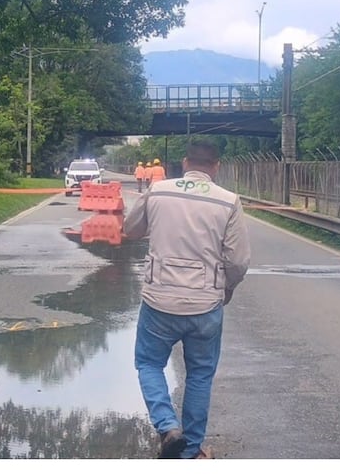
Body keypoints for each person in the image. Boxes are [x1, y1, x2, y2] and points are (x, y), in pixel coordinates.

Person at [122, 139, 250, 460]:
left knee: (149, 364)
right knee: (200, 375)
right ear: (216, 167)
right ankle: (191, 451)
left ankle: (168, 427)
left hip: (158, 302)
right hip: (205, 304)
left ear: (183, 163)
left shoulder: (159, 190)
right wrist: (228, 288)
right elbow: (237, 261)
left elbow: (131, 229)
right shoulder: (228, 201)